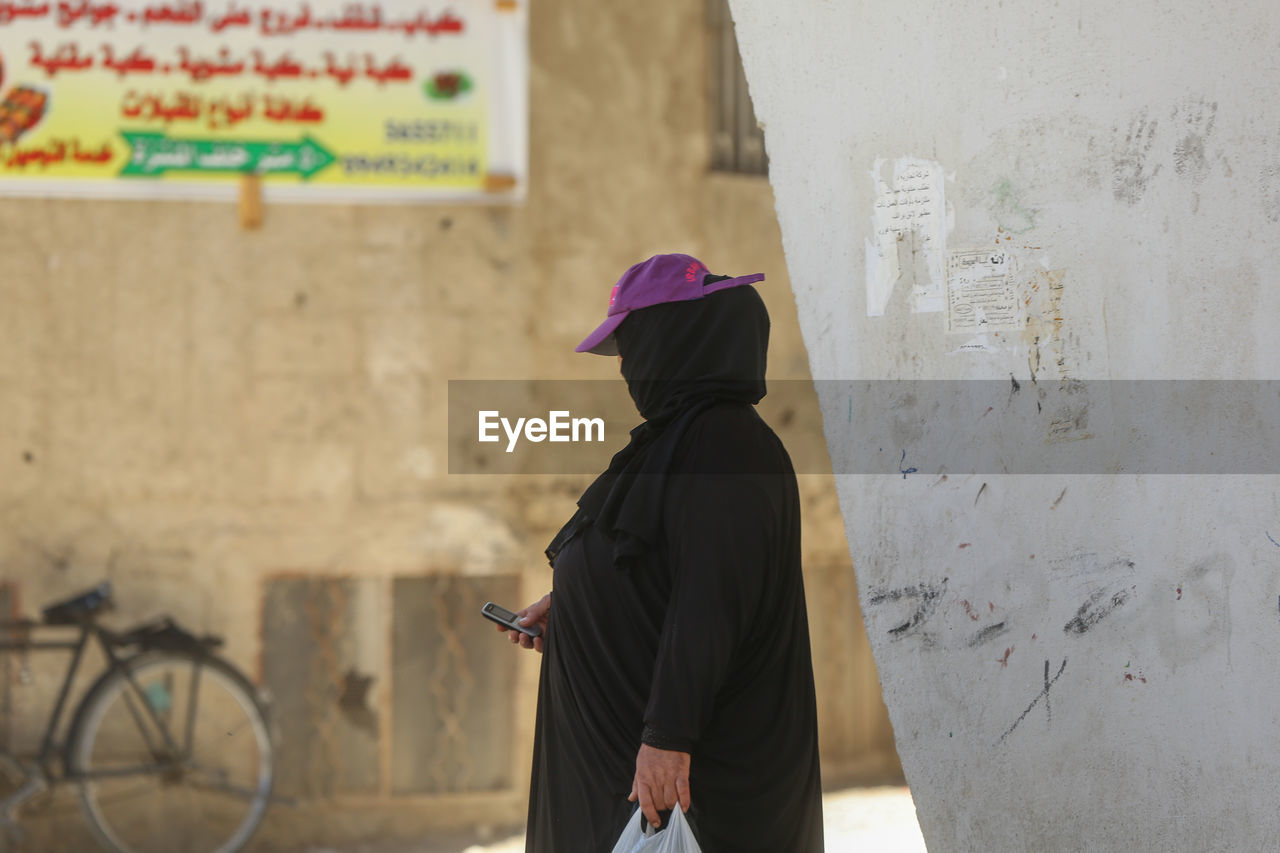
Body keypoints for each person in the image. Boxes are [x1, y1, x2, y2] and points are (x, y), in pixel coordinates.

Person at [497, 253, 824, 852]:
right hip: (623, 765)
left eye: (632, 343)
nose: (625, 364)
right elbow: (655, 564)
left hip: (684, 780)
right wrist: (576, 603)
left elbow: (714, 600)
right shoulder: (676, 443)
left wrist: (668, 737)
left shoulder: (727, 446)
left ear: (676, 341)